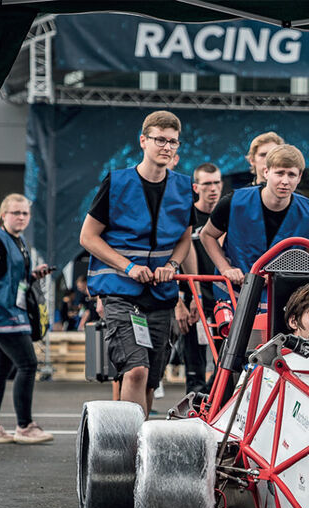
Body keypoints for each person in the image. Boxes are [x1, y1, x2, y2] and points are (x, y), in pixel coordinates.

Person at [80, 110, 193, 417]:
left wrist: (173, 263)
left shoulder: (183, 187)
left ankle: (138, 446)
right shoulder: (117, 182)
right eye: (159, 140)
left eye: (172, 142)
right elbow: (88, 237)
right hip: (121, 293)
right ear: (143, 141)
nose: (166, 147)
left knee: (150, 380)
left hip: (161, 296)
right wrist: (128, 267)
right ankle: (129, 450)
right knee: (136, 370)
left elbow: (185, 237)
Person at [201, 144, 309, 312]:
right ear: (266, 172)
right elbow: (207, 235)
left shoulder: (308, 212)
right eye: (279, 173)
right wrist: (225, 268)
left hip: (281, 301)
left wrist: (283, 275)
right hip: (234, 296)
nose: (285, 181)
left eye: (291, 174)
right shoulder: (235, 202)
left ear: (299, 177)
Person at [0, 194, 53, 444]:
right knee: (28, 365)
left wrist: (33, 276)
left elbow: (11, 278)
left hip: (13, 312)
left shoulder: (17, 241)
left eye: (24, 213)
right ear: (4, 214)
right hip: (2, 314)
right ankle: (25, 426)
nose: (20, 217)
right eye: (15, 212)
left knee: (0, 370)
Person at [180, 162, 223, 394]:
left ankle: (215, 405)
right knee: (194, 362)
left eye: (217, 182)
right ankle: (194, 407)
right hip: (193, 299)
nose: (213, 188)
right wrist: (180, 300)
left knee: (225, 360)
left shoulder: (227, 213)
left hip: (222, 297)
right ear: (196, 187)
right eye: (207, 184)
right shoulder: (188, 215)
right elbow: (175, 256)